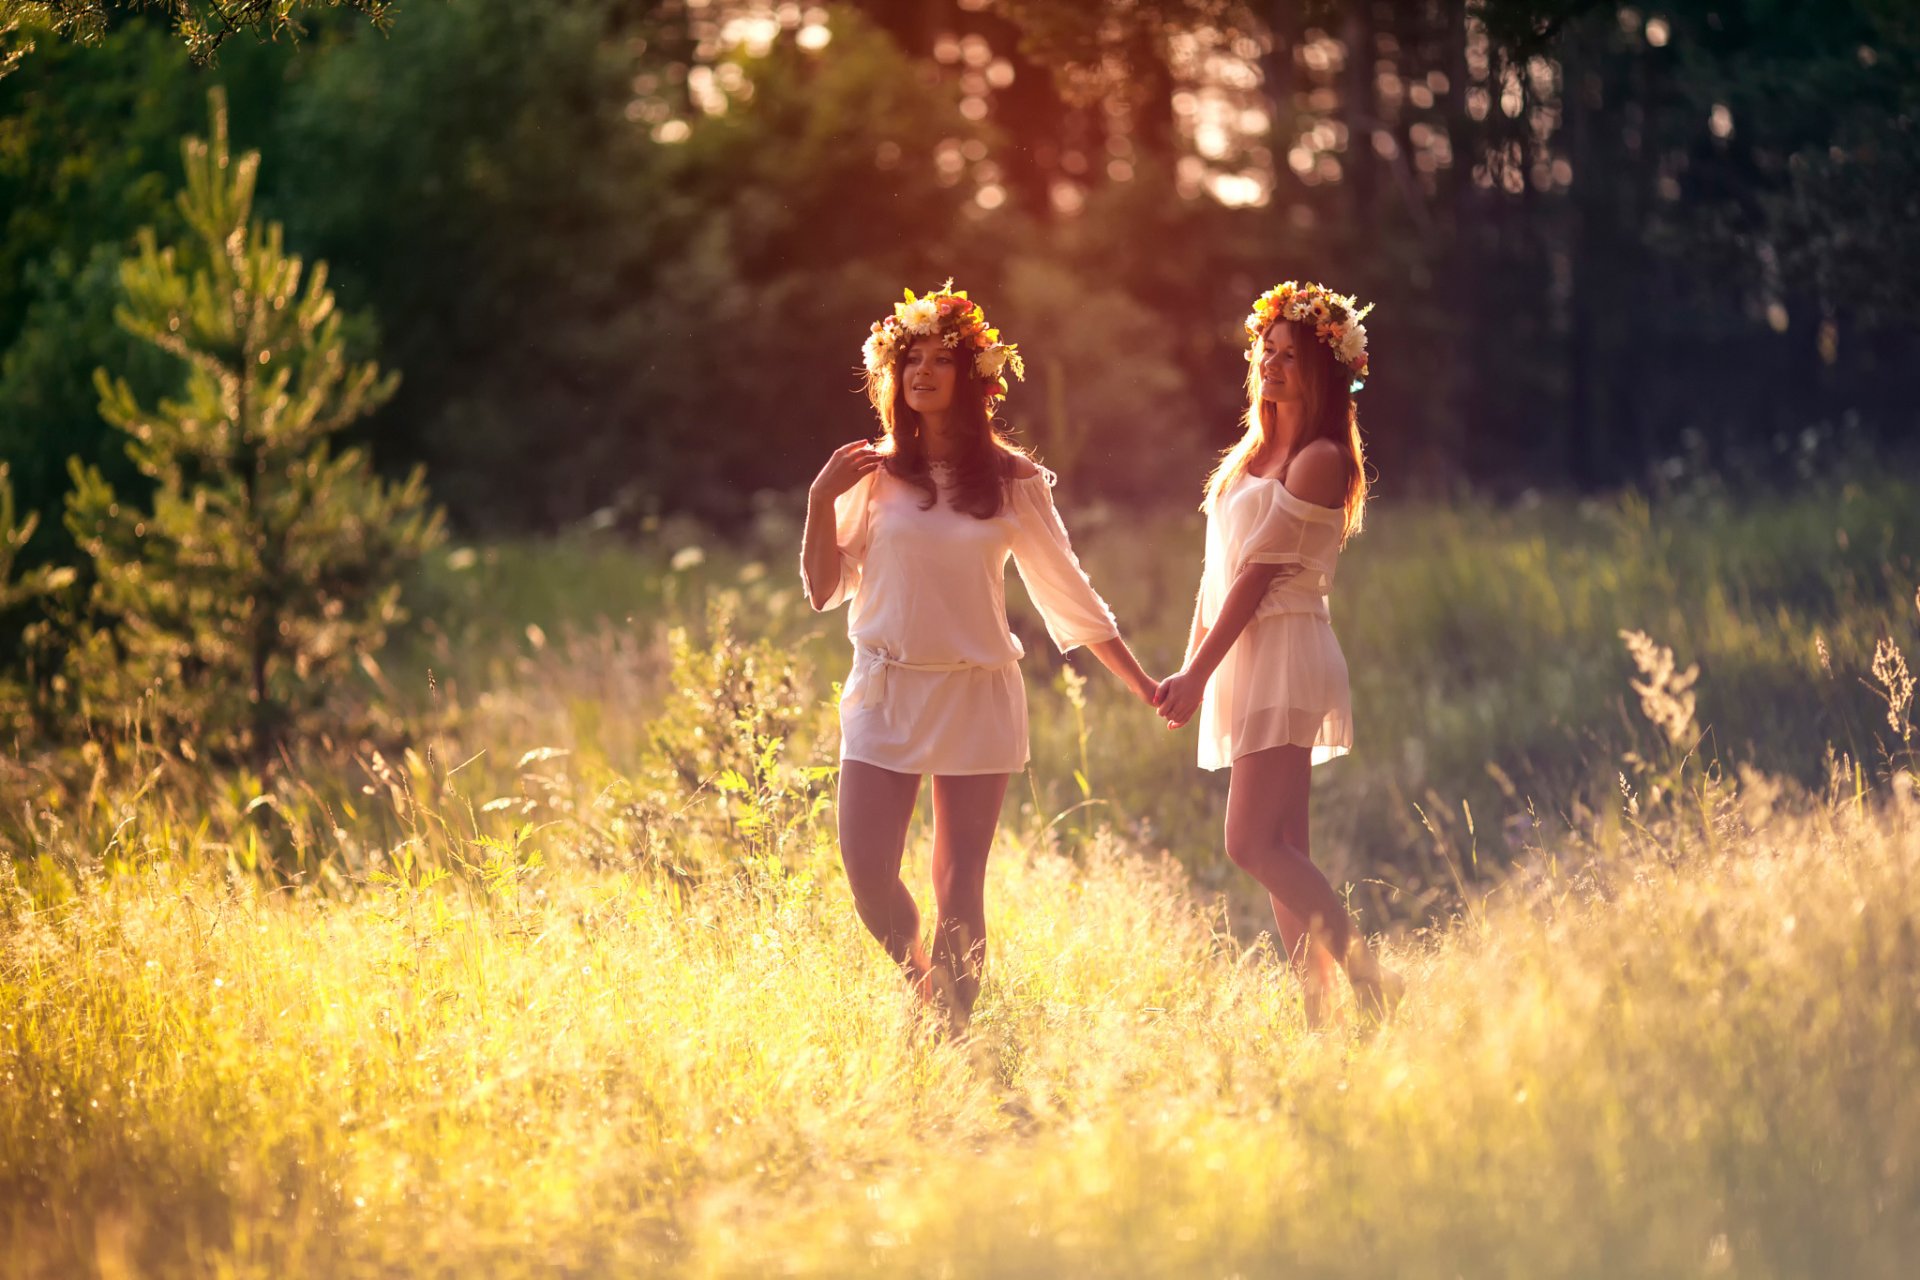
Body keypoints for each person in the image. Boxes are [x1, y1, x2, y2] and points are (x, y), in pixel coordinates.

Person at [801, 283, 1158, 1031]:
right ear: (891, 377)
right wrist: (816, 501)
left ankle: (955, 1033)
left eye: (940, 359)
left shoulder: (1010, 478)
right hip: (885, 686)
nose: (923, 372)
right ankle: (928, 993)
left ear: (973, 378)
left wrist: (1144, 685)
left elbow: (1069, 592)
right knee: (867, 871)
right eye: (911, 360)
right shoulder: (868, 473)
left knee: (959, 878)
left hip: (978, 687)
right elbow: (820, 590)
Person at [1153, 281, 1401, 1025]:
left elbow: (1259, 578)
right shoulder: (1247, 458)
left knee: (1250, 842)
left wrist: (1198, 674)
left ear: (1325, 371)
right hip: (1242, 653)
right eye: (1267, 351)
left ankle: (1370, 983)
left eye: (1290, 355)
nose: (1272, 364)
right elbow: (1215, 577)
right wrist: (1191, 662)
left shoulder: (1322, 457)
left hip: (1287, 649)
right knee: (1284, 848)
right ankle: (1318, 1020)